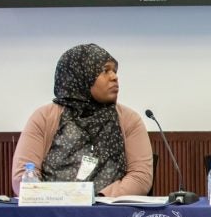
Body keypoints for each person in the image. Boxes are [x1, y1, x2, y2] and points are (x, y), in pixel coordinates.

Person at [11, 44, 153, 196]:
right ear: (81, 75)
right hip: (52, 212)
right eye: (105, 71)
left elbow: (140, 177)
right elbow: (22, 176)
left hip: (109, 213)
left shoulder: (129, 120)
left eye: (114, 71)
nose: (114, 77)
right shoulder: (44, 117)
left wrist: (95, 199)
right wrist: (55, 198)